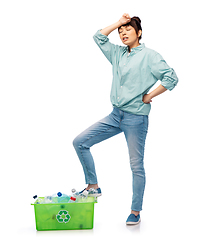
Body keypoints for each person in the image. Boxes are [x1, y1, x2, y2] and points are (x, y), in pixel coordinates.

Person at [73, 13, 178, 225]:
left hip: (136, 118)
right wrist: (119, 22)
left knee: (136, 166)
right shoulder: (117, 54)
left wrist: (149, 96)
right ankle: (93, 186)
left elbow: (171, 77)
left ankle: (135, 212)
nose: (123, 34)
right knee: (80, 142)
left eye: (128, 30)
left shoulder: (150, 56)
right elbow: (98, 37)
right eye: (121, 31)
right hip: (115, 115)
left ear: (139, 33)